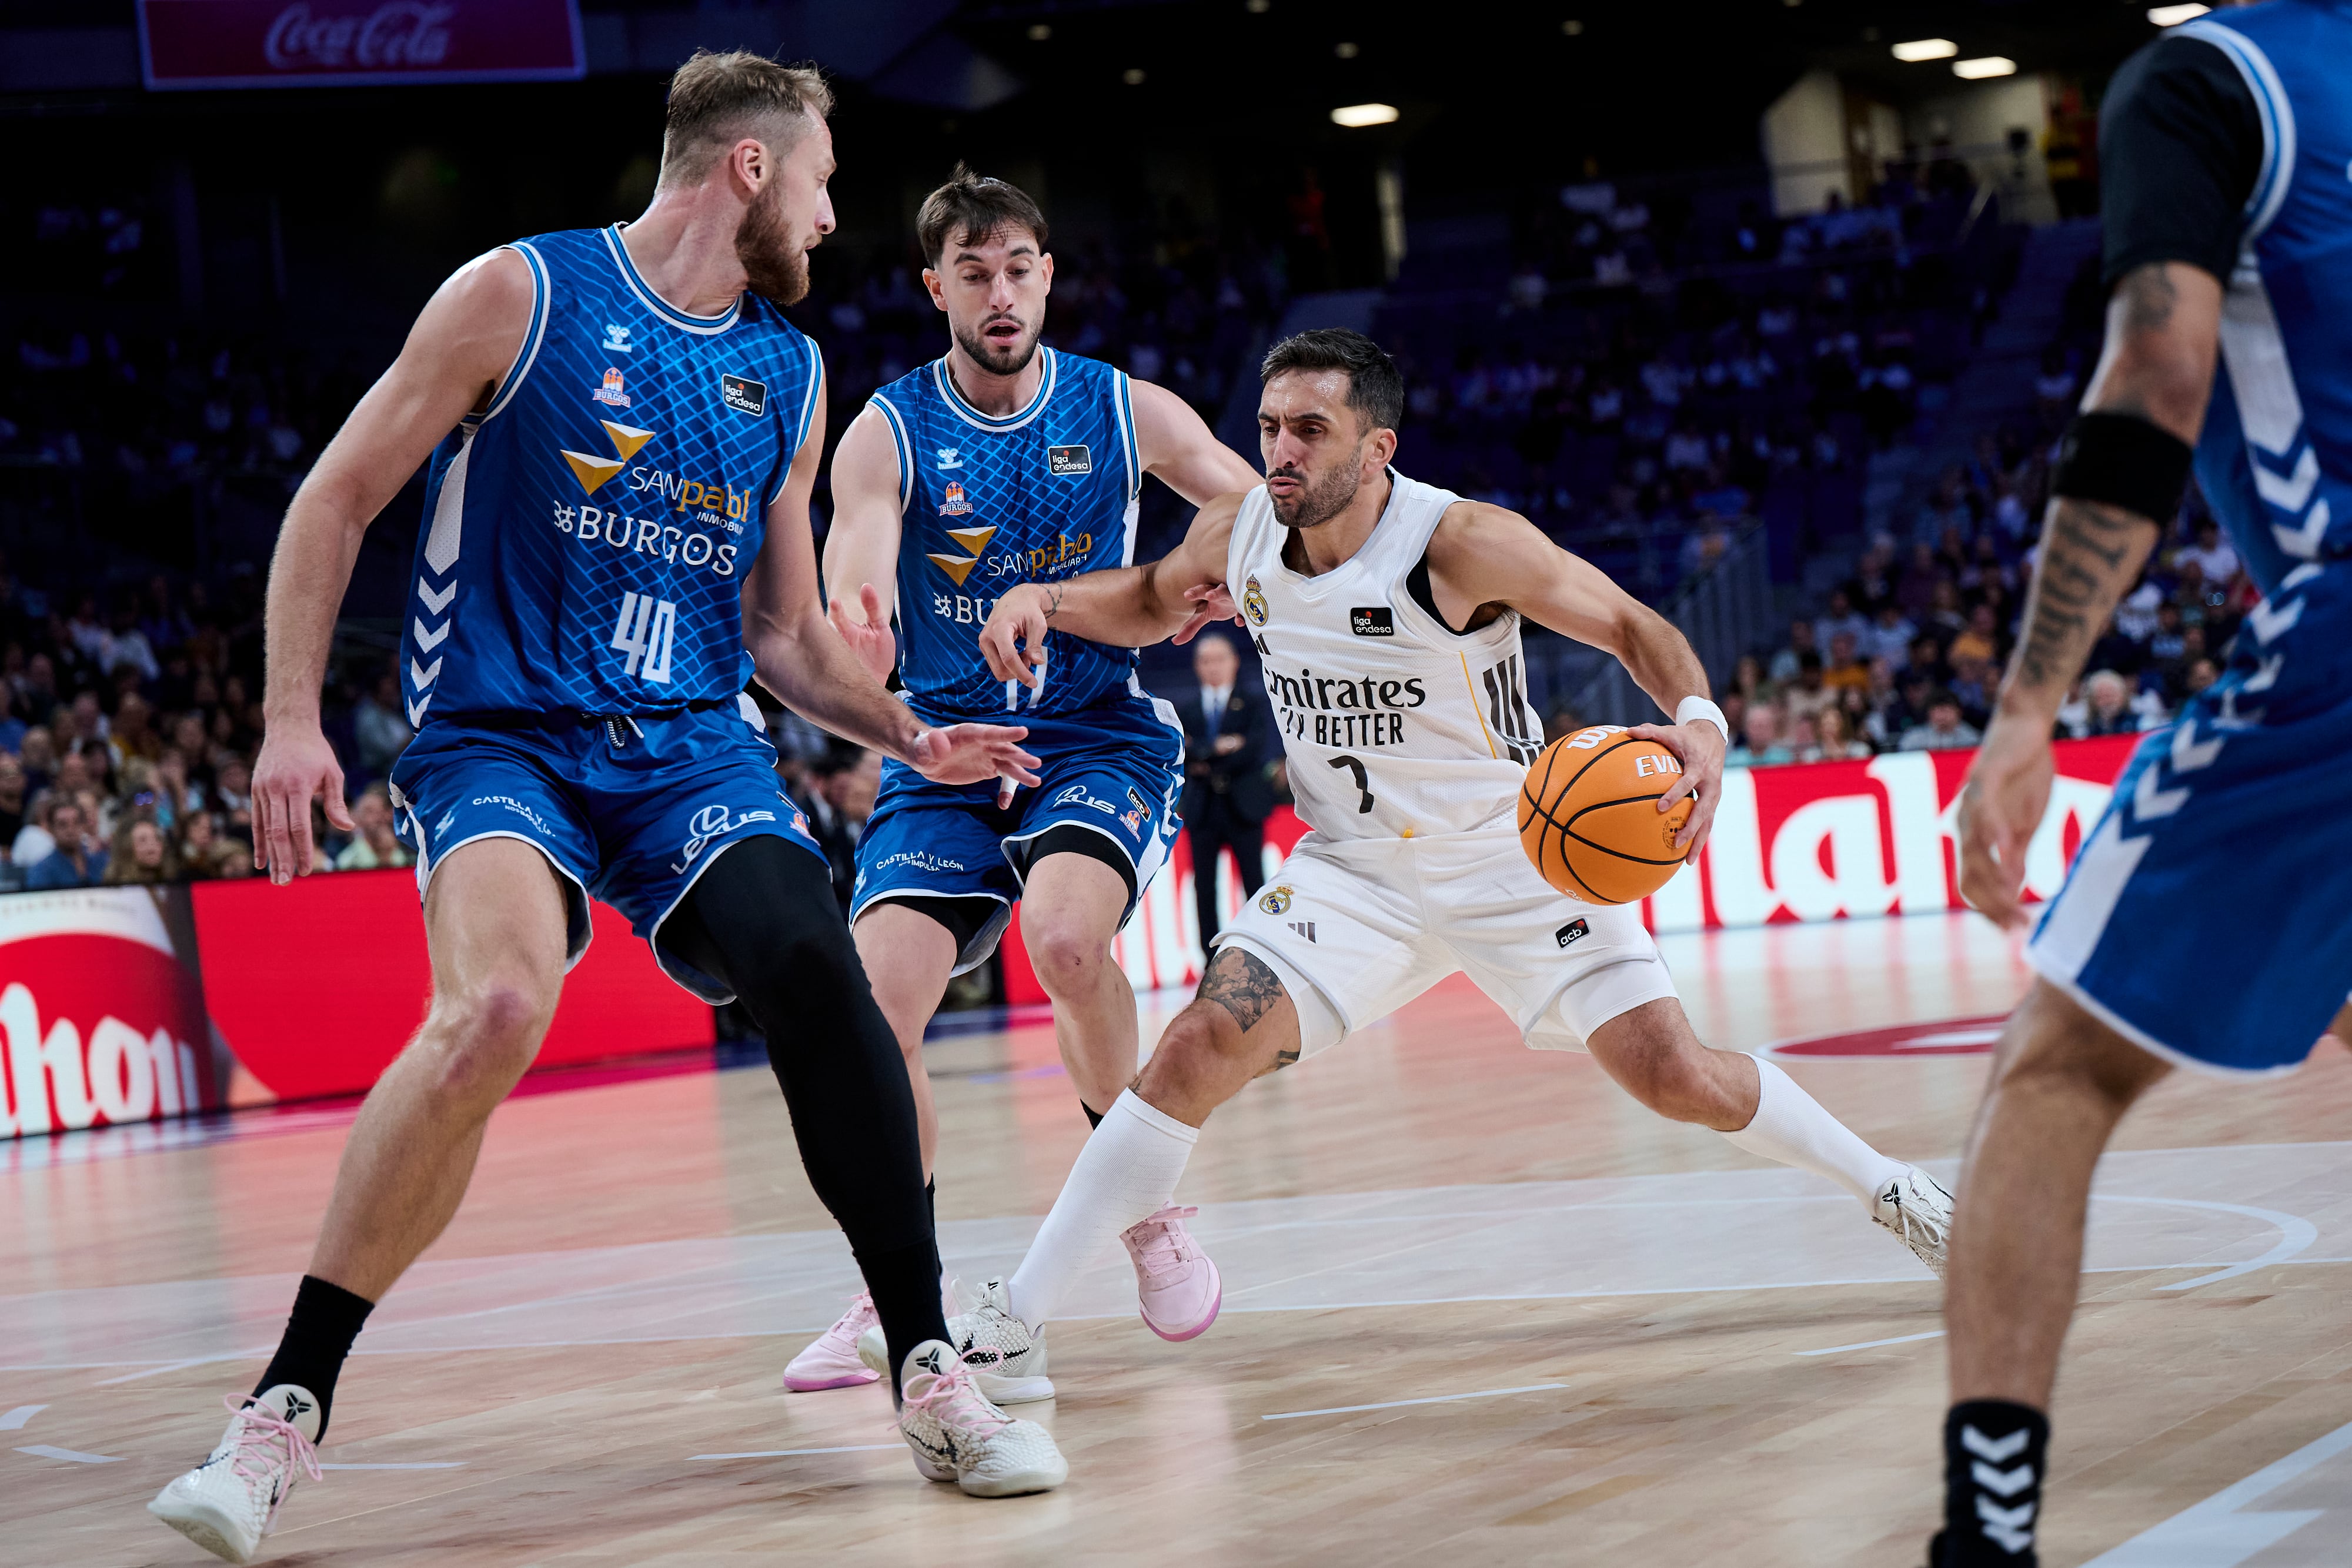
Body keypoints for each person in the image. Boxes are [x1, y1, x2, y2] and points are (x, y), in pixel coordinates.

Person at [146, 54, 1064, 1564]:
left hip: (690, 752)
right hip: (500, 737)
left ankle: (924, 1365)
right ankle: (280, 1415)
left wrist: (911, 730)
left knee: (814, 961)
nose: (830, 219)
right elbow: (334, 496)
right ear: (750, 168)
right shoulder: (519, 294)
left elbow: (782, 634)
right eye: (822, 183)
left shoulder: (788, 373)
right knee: (498, 1006)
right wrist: (290, 719)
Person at [927, 329, 1953, 1429]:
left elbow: (1628, 623)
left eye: (1309, 430)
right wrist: (1046, 598)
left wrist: (1700, 722)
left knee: (1678, 1076)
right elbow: (1147, 597)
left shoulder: (1459, 542)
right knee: (1191, 1047)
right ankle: (1018, 1319)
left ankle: (1891, 1186)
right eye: (1269, 427)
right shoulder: (1240, 529)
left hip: (1516, 856)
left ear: (1377, 449)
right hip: (1352, 873)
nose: (1280, 451)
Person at [1931, 7, 2352, 1563]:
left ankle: (1985, 1538)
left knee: (2055, 1066)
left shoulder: (2207, 77)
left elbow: (2160, 367)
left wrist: (2027, 705)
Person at [793, 166, 1261, 1391]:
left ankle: (1144, 1209)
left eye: (1017, 270)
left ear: (1047, 277)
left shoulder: (1121, 407)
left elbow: (1247, 502)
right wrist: (857, 614)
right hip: (943, 751)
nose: (998, 294)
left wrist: (1207, 570)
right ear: (935, 287)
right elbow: (855, 548)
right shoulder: (889, 425)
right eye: (974, 274)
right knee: (872, 1014)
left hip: (1093, 732)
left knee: (1063, 939)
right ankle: (903, 1287)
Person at [1178, 628, 1272, 951]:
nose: (1213, 667)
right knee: (1204, 887)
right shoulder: (1186, 710)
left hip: (1243, 806)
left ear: (1234, 662)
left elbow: (1254, 749)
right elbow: (1183, 753)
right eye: (1206, 661)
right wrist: (1222, 747)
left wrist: (1204, 756)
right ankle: (1210, 958)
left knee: (1254, 882)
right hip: (1203, 809)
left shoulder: (1252, 703)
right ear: (1196, 666)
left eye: (1219, 659)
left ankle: (1262, 951)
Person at [25, 798, 106, 889]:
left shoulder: (101, 861)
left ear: (83, 825)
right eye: (63, 824)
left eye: (76, 822)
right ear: (51, 829)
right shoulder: (41, 871)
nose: (70, 830)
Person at [332, 783, 414, 871]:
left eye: (381, 810)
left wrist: (388, 854)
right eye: (370, 812)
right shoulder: (347, 860)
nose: (378, 817)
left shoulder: (406, 848)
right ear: (357, 819)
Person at [1899, 691, 1982, 751]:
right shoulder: (1913, 738)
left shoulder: (1971, 737)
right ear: (1929, 713)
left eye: (1947, 711)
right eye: (1938, 711)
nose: (1942, 716)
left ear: (1959, 713)